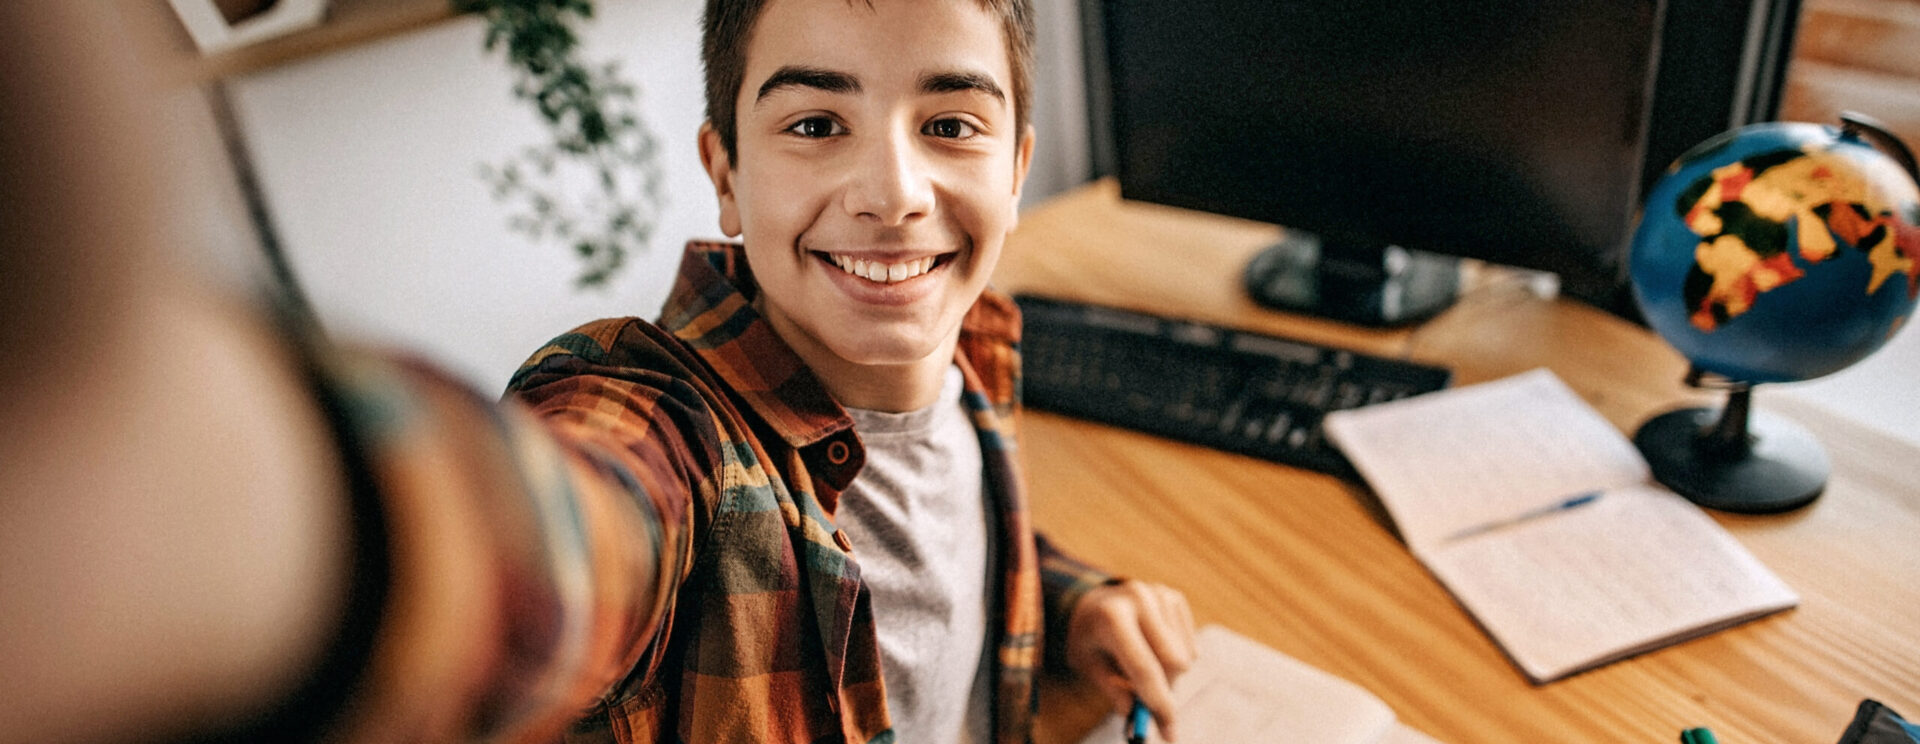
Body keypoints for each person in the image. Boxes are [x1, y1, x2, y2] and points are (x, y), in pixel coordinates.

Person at [0, 1, 1194, 742]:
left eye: (950, 124)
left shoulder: (972, 359)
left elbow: (932, 544)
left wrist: (1071, 599)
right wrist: (239, 505)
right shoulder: (665, 435)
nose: (892, 192)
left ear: (1017, 167)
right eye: (815, 124)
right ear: (725, 176)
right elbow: (564, 542)